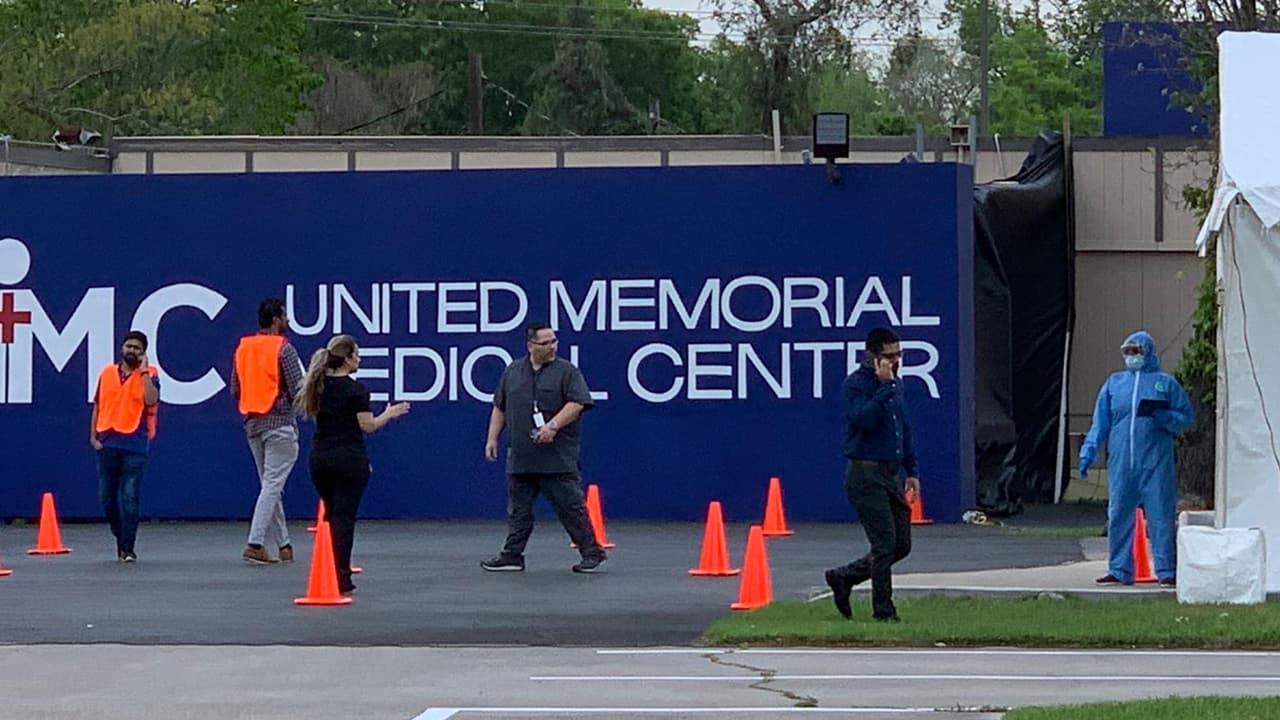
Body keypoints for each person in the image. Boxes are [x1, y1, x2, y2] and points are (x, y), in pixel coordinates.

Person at [481, 322, 606, 574]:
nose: (552, 347)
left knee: (571, 508)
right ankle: (512, 555)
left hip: (556, 459)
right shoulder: (513, 371)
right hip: (521, 457)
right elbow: (500, 406)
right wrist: (492, 438)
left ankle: (592, 552)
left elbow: (577, 403)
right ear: (530, 345)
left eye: (554, 341)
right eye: (545, 343)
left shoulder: (567, 372)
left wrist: (553, 425)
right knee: (519, 512)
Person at [1079, 330, 1194, 589]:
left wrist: (1163, 416)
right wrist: (1088, 452)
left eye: (1136, 351)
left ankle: (1167, 570)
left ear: (1148, 352)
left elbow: (1186, 417)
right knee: (1118, 515)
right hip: (1122, 463)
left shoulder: (1165, 383)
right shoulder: (1114, 384)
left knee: (1161, 516)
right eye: (1127, 351)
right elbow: (1100, 423)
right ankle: (1119, 569)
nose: (1131, 356)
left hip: (1156, 462)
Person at [296, 334, 409, 594]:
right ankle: (341, 575)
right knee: (344, 517)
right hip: (348, 459)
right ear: (347, 360)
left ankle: (328, 568)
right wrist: (389, 414)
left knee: (330, 515)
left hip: (320, 459)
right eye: (356, 355)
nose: (359, 359)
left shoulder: (318, 386)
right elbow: (367, 425)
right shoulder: (356, 390)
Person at [824, 327, 919, 622]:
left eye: (899, 354)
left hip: (891, 472)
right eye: (889, 356)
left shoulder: (895, 385)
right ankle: (884, 611)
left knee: (901, 545)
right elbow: (862, 419)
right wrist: (884, 388)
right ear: (872, 357)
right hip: (866, 473)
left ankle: (844, 577)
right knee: (884, 543)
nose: (896, 361)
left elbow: (902, 427)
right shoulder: (856, 385)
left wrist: (911, 470)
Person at [231, 298, 306, 564]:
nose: (287, 321)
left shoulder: (243, 348)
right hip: (280, 424)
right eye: (284, 316)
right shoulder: (284, 349)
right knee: (272, 486)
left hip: (253, 424)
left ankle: (284, 545)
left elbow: (235, 389)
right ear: (276, 319)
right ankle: (255, 543)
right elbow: (299, 389)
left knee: (270, 487)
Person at [89, 330, 159, 562]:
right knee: (107, 498)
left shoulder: (150, 374)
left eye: (137, 348)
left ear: (143, 353)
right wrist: (93, 437)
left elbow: (151, 399)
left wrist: (144, 372)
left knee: (130, 497)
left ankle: (128, 547)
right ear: (122, 348)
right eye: (129, 346)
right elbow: (98, 405)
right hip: (107, 442)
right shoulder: (107, 373)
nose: (132, 350)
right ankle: (120, 536)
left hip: (134, 445)